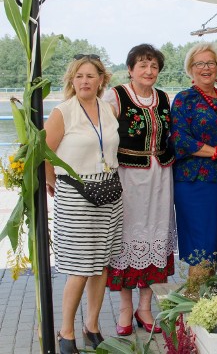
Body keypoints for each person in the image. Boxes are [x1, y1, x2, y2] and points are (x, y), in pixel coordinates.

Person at [44, 55, 122, 354]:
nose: (85, 81)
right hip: (76, 195)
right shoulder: (63, 112)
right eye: (79, 76)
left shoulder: (108, 109)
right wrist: (54, 183)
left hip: (109, 192)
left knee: (101, 265)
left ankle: (92, 326)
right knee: (79, 267)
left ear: (101, 79)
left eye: (91, 76)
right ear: (72, 80)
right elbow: (45, 156)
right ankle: (66, 333)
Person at [102, 44, 176, 336]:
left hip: (160, 176)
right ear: (130, 69)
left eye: (154, 66)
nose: (149, 71)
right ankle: (124, 309)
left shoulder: (163, 98)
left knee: (156, 233)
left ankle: (145, 307)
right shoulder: (116, 96)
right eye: (142, 65)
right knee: (127, 237)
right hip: (128, 177)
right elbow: (103, 136)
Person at [170, 42, 217, 275]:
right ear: (190, 69)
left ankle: (205, 304)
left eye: (210, 63)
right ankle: (195, 306)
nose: (205, 68)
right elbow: (180, 139)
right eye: (199, 63)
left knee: (213, 249)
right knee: (201, 250)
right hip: (195, 184)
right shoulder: (184, 99)